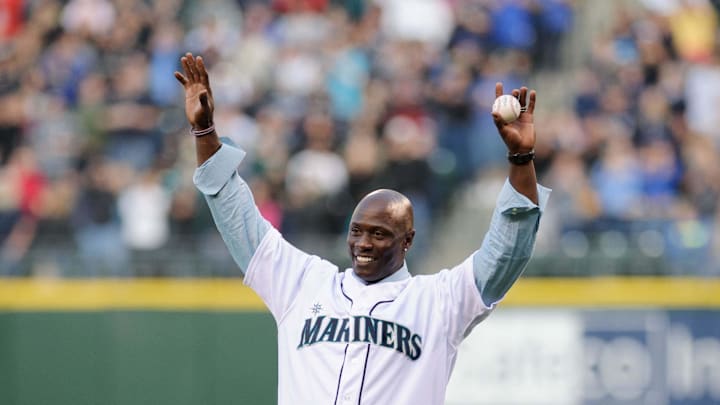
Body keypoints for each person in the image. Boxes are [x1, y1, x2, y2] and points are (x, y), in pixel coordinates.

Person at [175, 52, 550, 405]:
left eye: (379, 233)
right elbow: (236, 214)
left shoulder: (439, 302)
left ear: (408, 241)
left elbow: (507, 252)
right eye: (357, 231)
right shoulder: (302, 283)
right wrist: (205, 132)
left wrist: (520, 160)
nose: (363, 243)